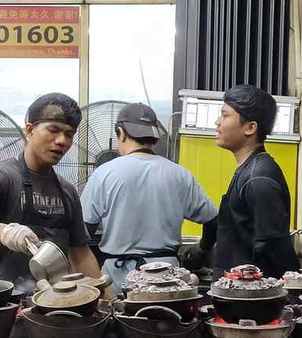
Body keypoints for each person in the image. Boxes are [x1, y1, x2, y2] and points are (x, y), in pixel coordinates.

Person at [0, 92, 101, 296]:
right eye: (53, 130)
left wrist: (106, 299)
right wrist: (6, 233)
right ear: (30, 130)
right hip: (7, 306)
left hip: (57, 304)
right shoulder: (0, 176)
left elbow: (81, 254)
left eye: (69, 134)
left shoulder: (67, 190)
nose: (62, 141)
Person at [81, 103, 218, 291]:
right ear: (154, 136)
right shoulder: (180, 174)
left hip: (117, 279)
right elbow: (213, 220)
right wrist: (202, 249)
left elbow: (82, 233)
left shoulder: (103, 173)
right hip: (167, 281)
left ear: (120, 133)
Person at [193, 84, 299, 279]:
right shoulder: (248, 170)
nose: (217, 122)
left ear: (250, 127)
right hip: (237, 298)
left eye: (225, 115)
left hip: (252, 303)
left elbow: (275, 249)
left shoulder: (258, 178)